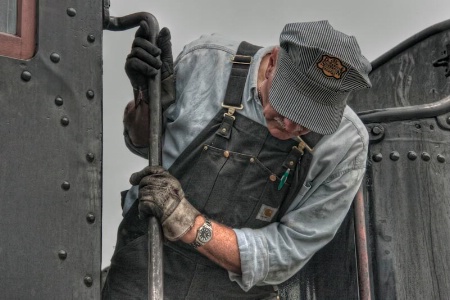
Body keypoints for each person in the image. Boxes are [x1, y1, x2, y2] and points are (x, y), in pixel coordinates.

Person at [102, 20, 372, 299]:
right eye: (286, 103)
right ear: (273, 63)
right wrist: (145, 99)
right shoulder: (207, 62)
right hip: (144, 271)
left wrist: (188, 224)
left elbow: (287, 251)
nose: (290, 124)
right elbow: (143, 142)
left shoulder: (346, 145)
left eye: (308, 120)